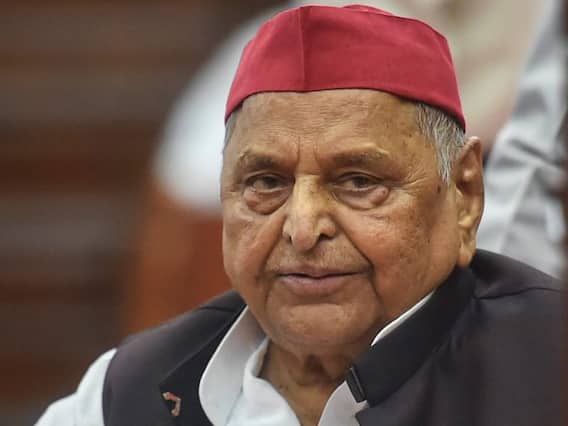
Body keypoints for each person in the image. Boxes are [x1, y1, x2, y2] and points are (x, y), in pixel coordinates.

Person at [36, 5, 563, 426]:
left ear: (465, 197)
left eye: (358, 182)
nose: (303, 229)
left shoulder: (549, 370)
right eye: (266, 183)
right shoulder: (125, 395)